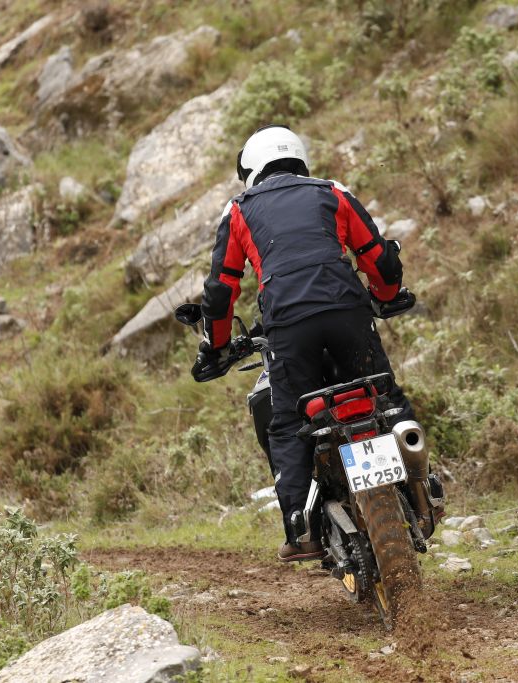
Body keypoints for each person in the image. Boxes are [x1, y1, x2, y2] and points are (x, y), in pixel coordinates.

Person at [196, 124, 418, 562]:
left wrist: (215, 346)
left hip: (288, 324)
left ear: (251, 169)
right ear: (299, 159)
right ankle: (422, 486)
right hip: (347, 311)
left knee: (287, 421)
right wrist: (387, 296)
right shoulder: (332, 192)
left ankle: (301, 527)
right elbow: (378, 258)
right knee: (385, 398)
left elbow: (221, 290)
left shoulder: (239, 209)